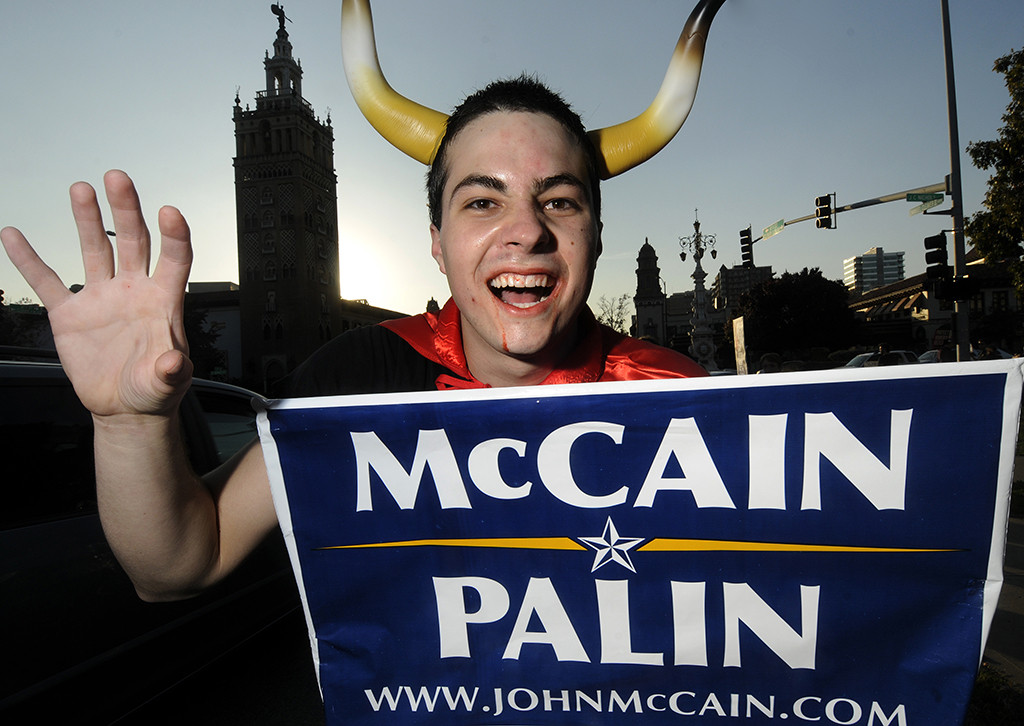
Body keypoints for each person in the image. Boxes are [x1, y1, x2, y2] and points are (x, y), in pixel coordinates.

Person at [0, 77, 706, 603]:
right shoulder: (352, 378)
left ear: (596, 235)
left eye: (559, 199)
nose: (526, 230)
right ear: (437, 243)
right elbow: (178, 565)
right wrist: (128, 425)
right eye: (483, 201)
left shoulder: (678, 394)